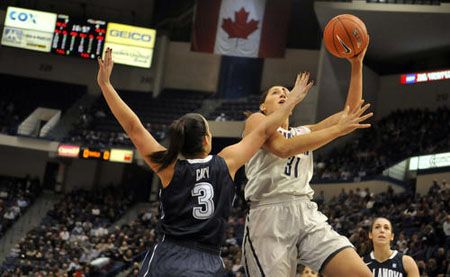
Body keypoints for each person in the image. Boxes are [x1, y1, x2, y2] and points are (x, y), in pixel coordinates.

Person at [97, 48, 318, 276]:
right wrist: (290, 101)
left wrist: (106, 85)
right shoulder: (226, 163)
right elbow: (263, 132)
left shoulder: (169, 167)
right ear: (206, 140)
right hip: (207, 263)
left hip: (167, 257)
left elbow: (134, 128)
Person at [242, 44, 375, 277]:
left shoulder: (304, 131)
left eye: (285, 91)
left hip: (305, 210)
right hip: (268, 216)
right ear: (263, 106)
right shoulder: (255, 121)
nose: (283, 93)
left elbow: (350, 112)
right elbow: (282, 148)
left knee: (360, 274)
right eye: (276, 92)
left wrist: (356, 64)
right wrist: (335, 130)